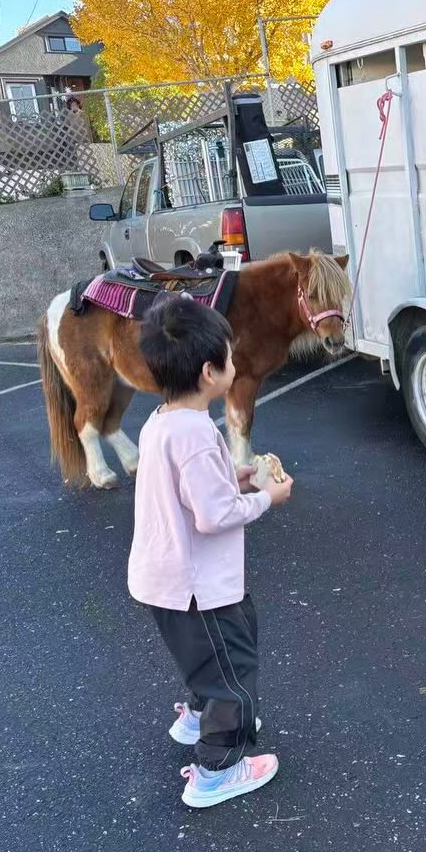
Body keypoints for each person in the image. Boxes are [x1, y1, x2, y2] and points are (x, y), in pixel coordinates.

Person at [128, 295, 293, 808]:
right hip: (199, 586)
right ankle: (217, 769)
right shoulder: (197, 434)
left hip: (169, 580)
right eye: (230, 357)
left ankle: (199, 713)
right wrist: (267, 497)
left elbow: (191, 489)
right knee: (233, 670)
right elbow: (214, 515)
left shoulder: (162, 422)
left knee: (207, 656)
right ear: (208, 372)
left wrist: (233, 478)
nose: (235, 365)